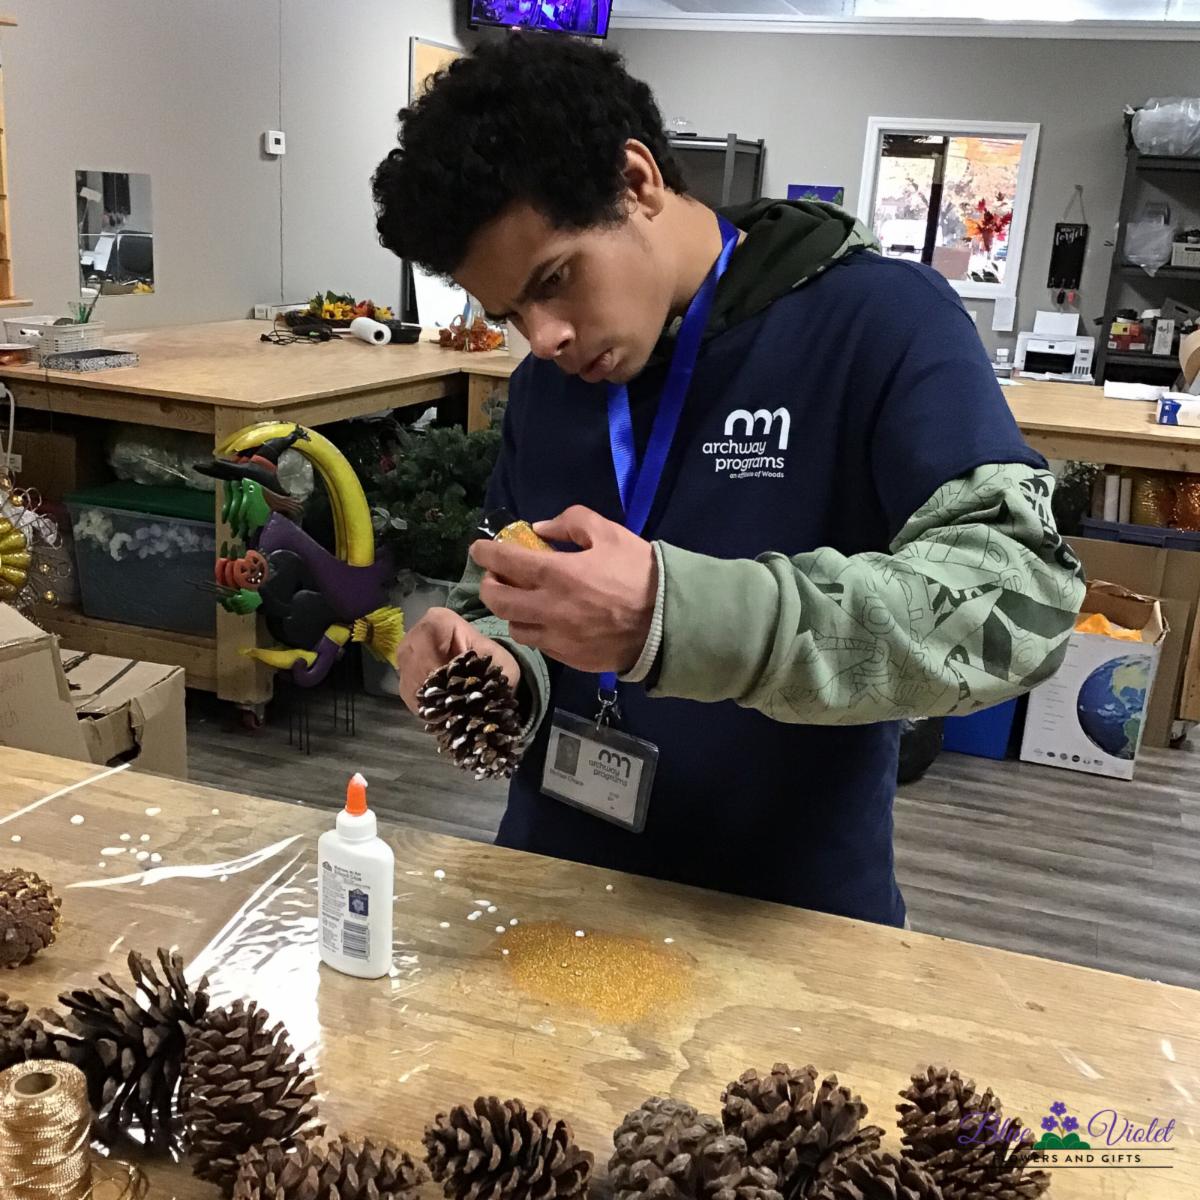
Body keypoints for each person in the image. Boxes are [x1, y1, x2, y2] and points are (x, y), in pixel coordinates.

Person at [372, 35, 1085, 928]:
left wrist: (679, 618)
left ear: (636, 181)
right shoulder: (547, 390)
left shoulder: (881, 321)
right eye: (511, 311)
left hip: (786, 919)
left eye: (555, 279)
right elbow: (506, 582)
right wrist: (489, 659)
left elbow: (1020, 602)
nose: (543, 336)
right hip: (553, 895)